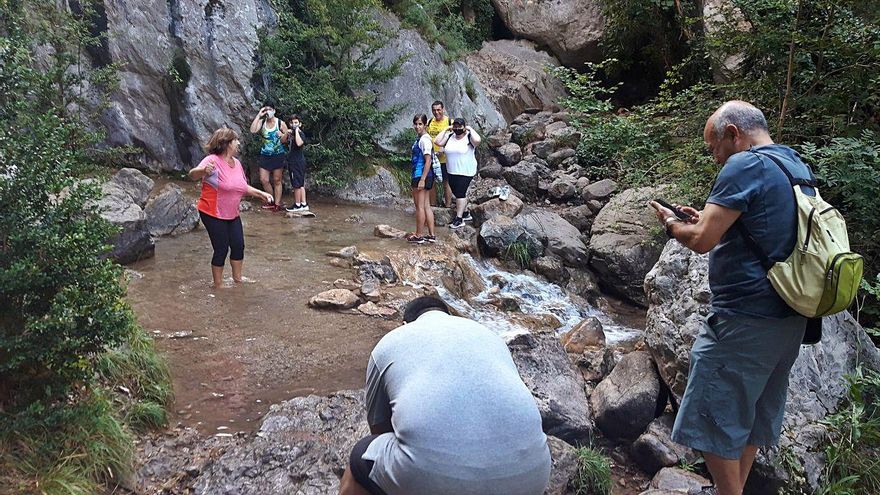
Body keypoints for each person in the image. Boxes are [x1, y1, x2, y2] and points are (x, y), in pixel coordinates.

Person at [649, 101, 811, 495]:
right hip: (790, 316)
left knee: (712, 413)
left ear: (733, 133)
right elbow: (764, 227)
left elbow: (703, 241)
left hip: (745, 318)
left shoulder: (743, 165)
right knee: (751, 412)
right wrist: (702, 216)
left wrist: (672, 225)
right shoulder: (792, 165)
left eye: (714, 147)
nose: (715, 156)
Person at [339, 296, 552, 495]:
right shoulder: (489, 335)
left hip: (435, 481)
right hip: (534, 475)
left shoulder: (389, 343)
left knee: (362, 455)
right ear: (449, 317)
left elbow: (379, 430)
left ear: (405, 324)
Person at [189, 128, 274, 288]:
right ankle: (218, 285)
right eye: (236, 141)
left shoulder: (238, 163)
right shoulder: (211, 160)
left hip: (232, 213)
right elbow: (192, 175)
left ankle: (237, 278)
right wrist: (202, 171)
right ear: (226, 143)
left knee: (238, 245)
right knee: (221, 248)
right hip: (212, 212)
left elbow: (241, 186)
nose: (238, 143)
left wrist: (261, 193)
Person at [434, 117, 481, 229]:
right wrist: (446, 129)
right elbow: (437, 141)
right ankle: (465, 213)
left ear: (464, 127)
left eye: (460, 126)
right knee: (456, 192)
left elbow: (478, 140)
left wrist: (469, 129)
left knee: (460, 193)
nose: (457, 128)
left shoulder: (469, 137)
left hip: (466, 171)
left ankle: (459, 219)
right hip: (452, 170)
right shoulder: (450, 136)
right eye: (455, 125)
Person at [249, 103, 289, 211]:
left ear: (274, 111)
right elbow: (253, 130)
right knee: (264, 180)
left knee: (277, 180)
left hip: (278, 154)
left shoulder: (280, 123)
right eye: (266, 109)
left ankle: (277, 204)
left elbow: (285, 140)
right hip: (265, 155)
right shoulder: (262, 122)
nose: (268, 112)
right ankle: (270, 200)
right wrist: (259, 115)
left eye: (270, 109)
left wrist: (283, 135)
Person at [407, 114, 436, 244]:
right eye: (416, 124)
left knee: (419, 207)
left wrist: (422, 179)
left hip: (421, 175)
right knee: (426, 206)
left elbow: (428, 160)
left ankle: (419, 235)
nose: (418, 126)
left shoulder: (424, 140)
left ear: (425, 125)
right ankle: (431, 235)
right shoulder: (422, 139)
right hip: (424, 175)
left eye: (420, 124)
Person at [426, 100, 453, 207]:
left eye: (438, 110)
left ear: (443, 109)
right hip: (431, 157)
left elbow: (455, 138)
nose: (436, 112)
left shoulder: (450, 122)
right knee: (431, 182)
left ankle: (448, 205)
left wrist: (444, 148)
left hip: (445, 158)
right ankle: (433, 205)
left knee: (446, 182)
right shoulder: (429, 122)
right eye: (434, 110)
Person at [282, 114, 309, 212]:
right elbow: (282, 141)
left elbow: (299, 143)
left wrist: (296, 131)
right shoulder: (291, 133)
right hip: (293, 161)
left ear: (300, 124)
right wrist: (286, 133)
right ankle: (303, 203)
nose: (294, 124)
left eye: (296, 123)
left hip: (297, 162)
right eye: (292, 123)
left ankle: (298, 204)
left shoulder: (301, 134)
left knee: (297, 185)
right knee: (300, 184)